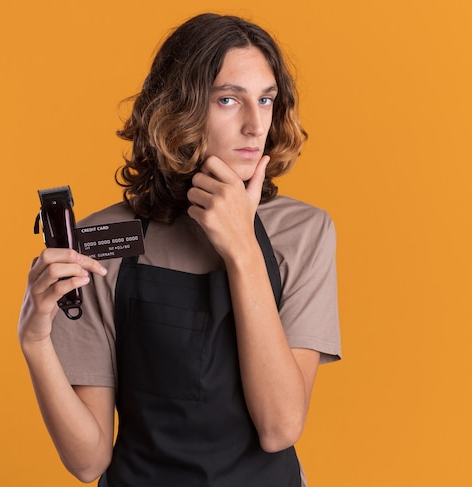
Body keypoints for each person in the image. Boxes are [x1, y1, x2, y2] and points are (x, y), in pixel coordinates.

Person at [18, 12, 341, 487]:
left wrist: (243, 248)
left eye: (266, 99)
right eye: (229, 100)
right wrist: (35, 340)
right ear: (178, 109)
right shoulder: (101, 241)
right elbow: (88, 463)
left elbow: (280, 427)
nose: (256, 125)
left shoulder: (303, 231)